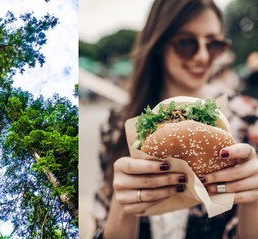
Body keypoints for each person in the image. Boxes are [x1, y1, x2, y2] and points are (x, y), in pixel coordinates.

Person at [93, 0, 258, 238]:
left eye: (214, 45)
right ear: (159, 44)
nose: (202, 56)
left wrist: (253, 200)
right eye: (186, 43)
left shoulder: (248, 117)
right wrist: (123, 207)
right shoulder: (117, 125)